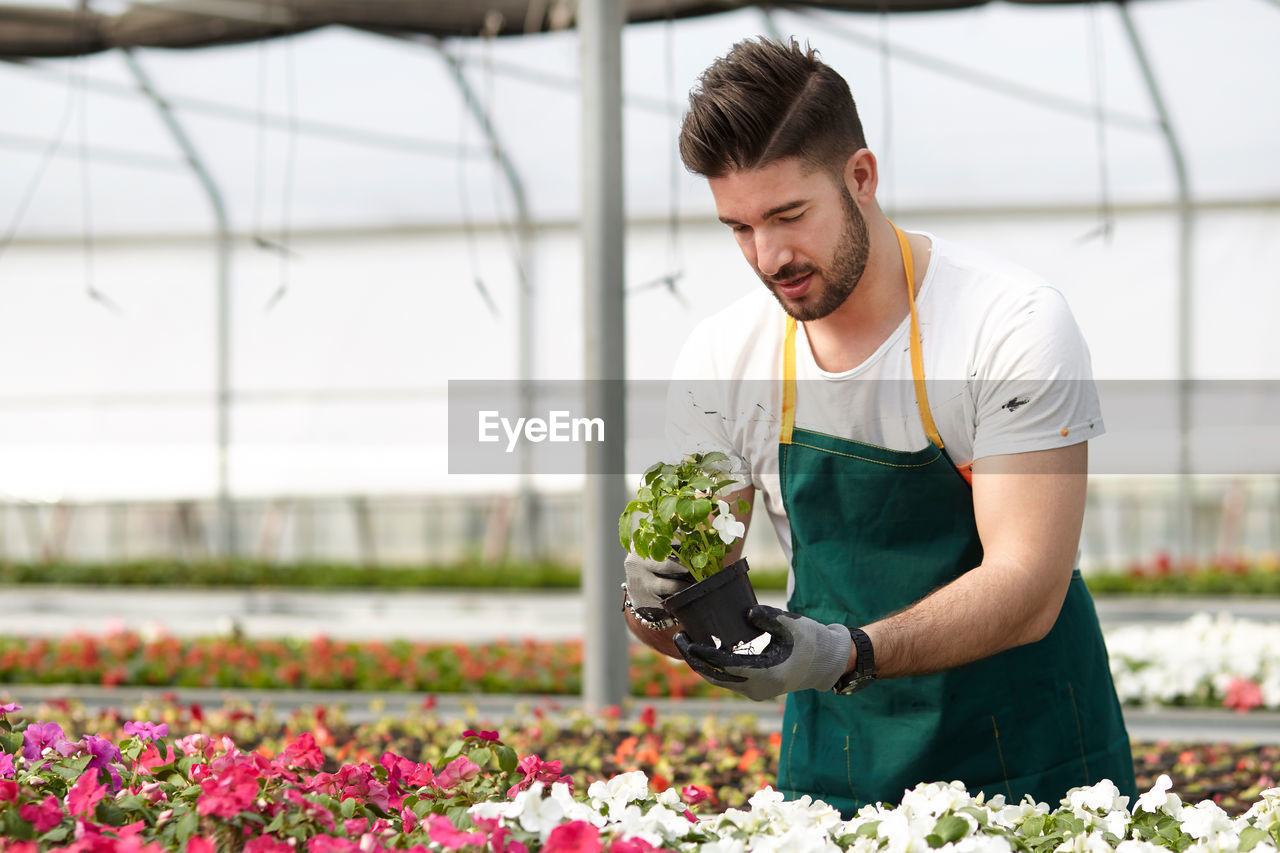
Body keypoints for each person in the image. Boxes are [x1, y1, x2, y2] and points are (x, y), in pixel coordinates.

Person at [620, 37, 1135, 817]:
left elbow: (1029, 586)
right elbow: (703, 606)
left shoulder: (1008, 325)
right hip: (841, 769)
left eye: (790, 215)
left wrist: (849, 650)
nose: (769, 256)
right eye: (739, 227)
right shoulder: (725, 357)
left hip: (1030, 768)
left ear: (861, 176)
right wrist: (657, 607)